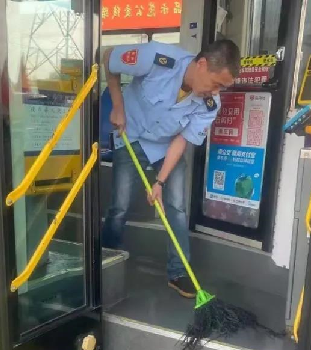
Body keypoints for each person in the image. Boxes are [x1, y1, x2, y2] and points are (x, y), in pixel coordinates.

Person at [101, 40, 240, 298]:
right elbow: (109, 56)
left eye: (222, 87)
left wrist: (160, 182)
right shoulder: (156, 58)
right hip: (131, 136)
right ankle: (107, 259)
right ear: (202, 64)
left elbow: (181, 141)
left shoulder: (210, 105)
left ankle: (178, 272)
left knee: (176, 207)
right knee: (120, 205)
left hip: (167, 147)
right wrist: (118, 106)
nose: (216, 92)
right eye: (216, 84)